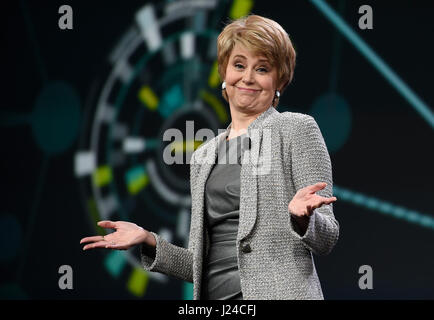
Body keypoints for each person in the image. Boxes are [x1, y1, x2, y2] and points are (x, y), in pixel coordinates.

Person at [80, 14, 339, 300]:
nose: (248, 77)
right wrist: (148, 238)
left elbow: (327, 238)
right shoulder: (204, 156)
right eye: (239, 65)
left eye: (262, 68)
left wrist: (303, 219)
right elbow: (202, 265)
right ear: (224, 74)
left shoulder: (297, 129)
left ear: (280, 79)